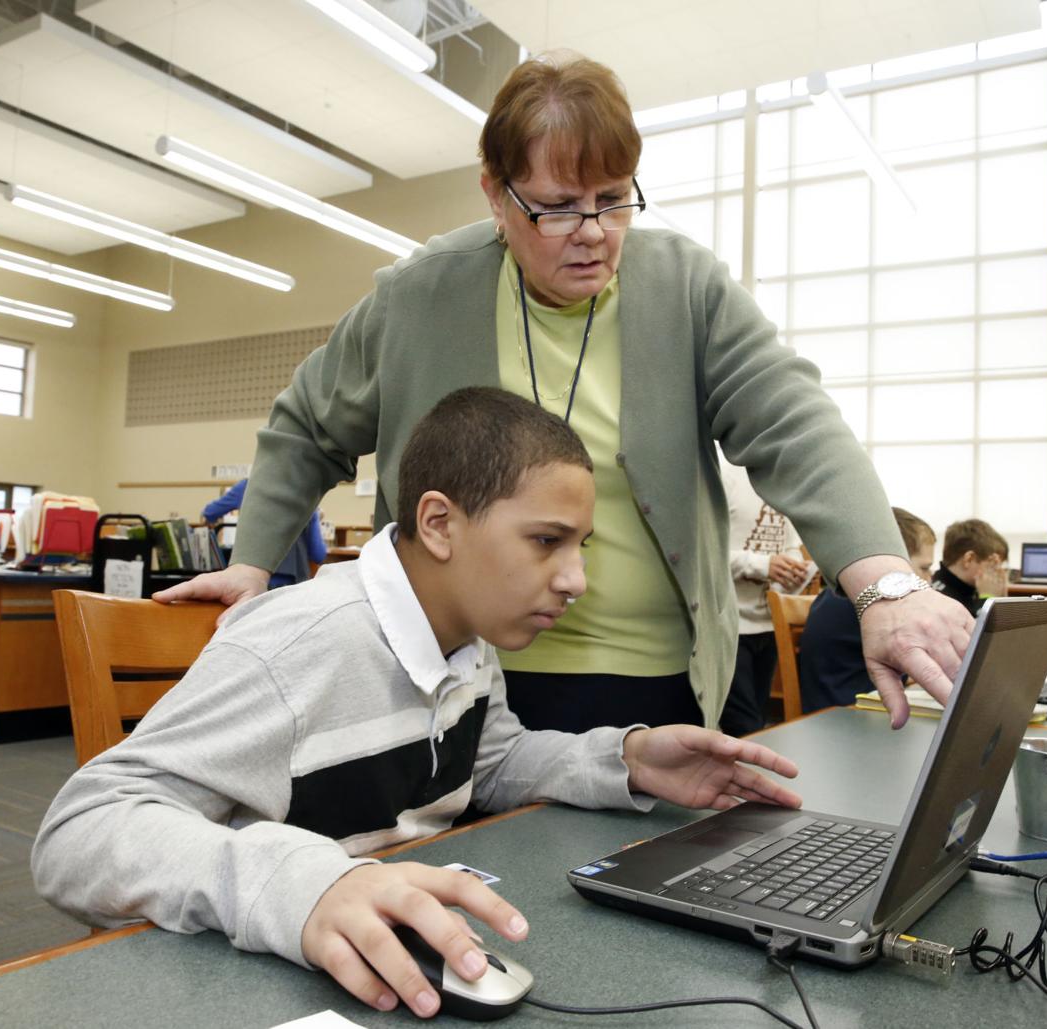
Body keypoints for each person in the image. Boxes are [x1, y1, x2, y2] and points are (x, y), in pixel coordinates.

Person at [154, 52, 972, 733]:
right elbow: (304, 426)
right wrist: (253, 561)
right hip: (448, 676)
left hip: (655, 684)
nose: (592, 233)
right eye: (555, 208)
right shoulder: (422, 294)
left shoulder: (682, 287)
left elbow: (795, 424)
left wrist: (885, 583)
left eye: (613, 200)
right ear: (494, 194)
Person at [32, 388, 802, 1020]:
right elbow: (79, 830)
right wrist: (310, 881)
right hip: (227, 983)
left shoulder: (467, 632)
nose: (575, 579)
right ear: (439, 523)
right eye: (546, 541)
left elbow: (488, 761)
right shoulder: (300, 646)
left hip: (380, 961)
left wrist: (625, 761)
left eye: (582, 547)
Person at [798, 508, 936, 713]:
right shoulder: (870, 603)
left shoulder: (843, 594)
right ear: (896, 560)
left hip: (845, 710)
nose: (929, 578)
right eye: (924, 568)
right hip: (848, 718)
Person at [717, 449, 809, 735]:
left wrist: (795, 570)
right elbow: (705, 553)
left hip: (768, 622)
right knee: (744, 725)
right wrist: (762, 565)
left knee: (759, 718)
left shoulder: (784, 481)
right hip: (728, 624)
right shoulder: (724, 473)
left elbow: (790, 543)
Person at [203, 478, 326, 588]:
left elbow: (209, 513)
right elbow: (318, 555)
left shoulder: (247, 486)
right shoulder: (307, 493)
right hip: (294, 585)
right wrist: (315, 517)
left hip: (253, 580)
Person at [932, 518, 1009, 618]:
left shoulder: (968, 589)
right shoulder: (942, 599)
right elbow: (977, 631)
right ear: (969, 559)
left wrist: (1002, 600)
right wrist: (987, 598)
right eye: (993, 566)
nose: (998, 573)